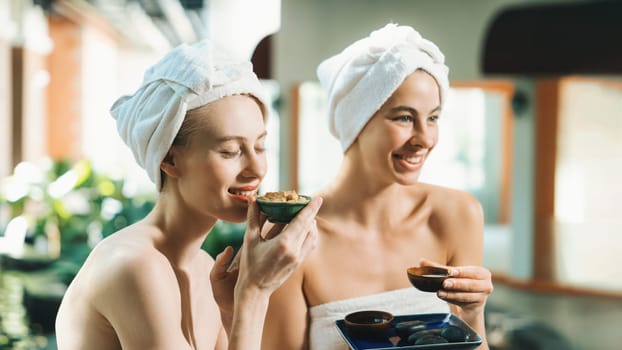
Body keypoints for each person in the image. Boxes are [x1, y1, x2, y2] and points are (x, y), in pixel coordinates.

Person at [55, 39, 322, 350]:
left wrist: (232, 312)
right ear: (169, 159)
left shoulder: (205, 267)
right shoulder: (135, 265)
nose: (256, 169)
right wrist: (254, 293)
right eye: (230, 151)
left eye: (260, 146)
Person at [262, 23, 493, 349]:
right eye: (403, 118)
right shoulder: (293, 237)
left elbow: (469, 341)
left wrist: (473, 313)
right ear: (356, 121)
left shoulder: (456, 215)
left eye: (433, 118)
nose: (424, 139)